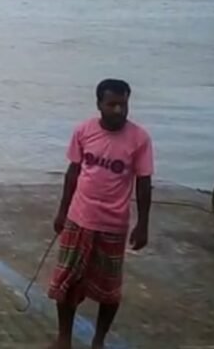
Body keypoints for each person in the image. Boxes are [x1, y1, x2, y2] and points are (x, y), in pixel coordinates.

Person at [48, 79, 153, 349]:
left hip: (114, 224)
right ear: (99, 105)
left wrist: (143, 224)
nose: (118, 110)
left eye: (123, 104)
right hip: (79, 218)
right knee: (67, 279)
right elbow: (73, 172)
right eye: (112, 104)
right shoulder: (83, 131)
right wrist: (62, 212)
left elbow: (143, 182)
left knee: (109, 289)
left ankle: (99, 341)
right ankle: (64, 339)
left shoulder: (140, 138)